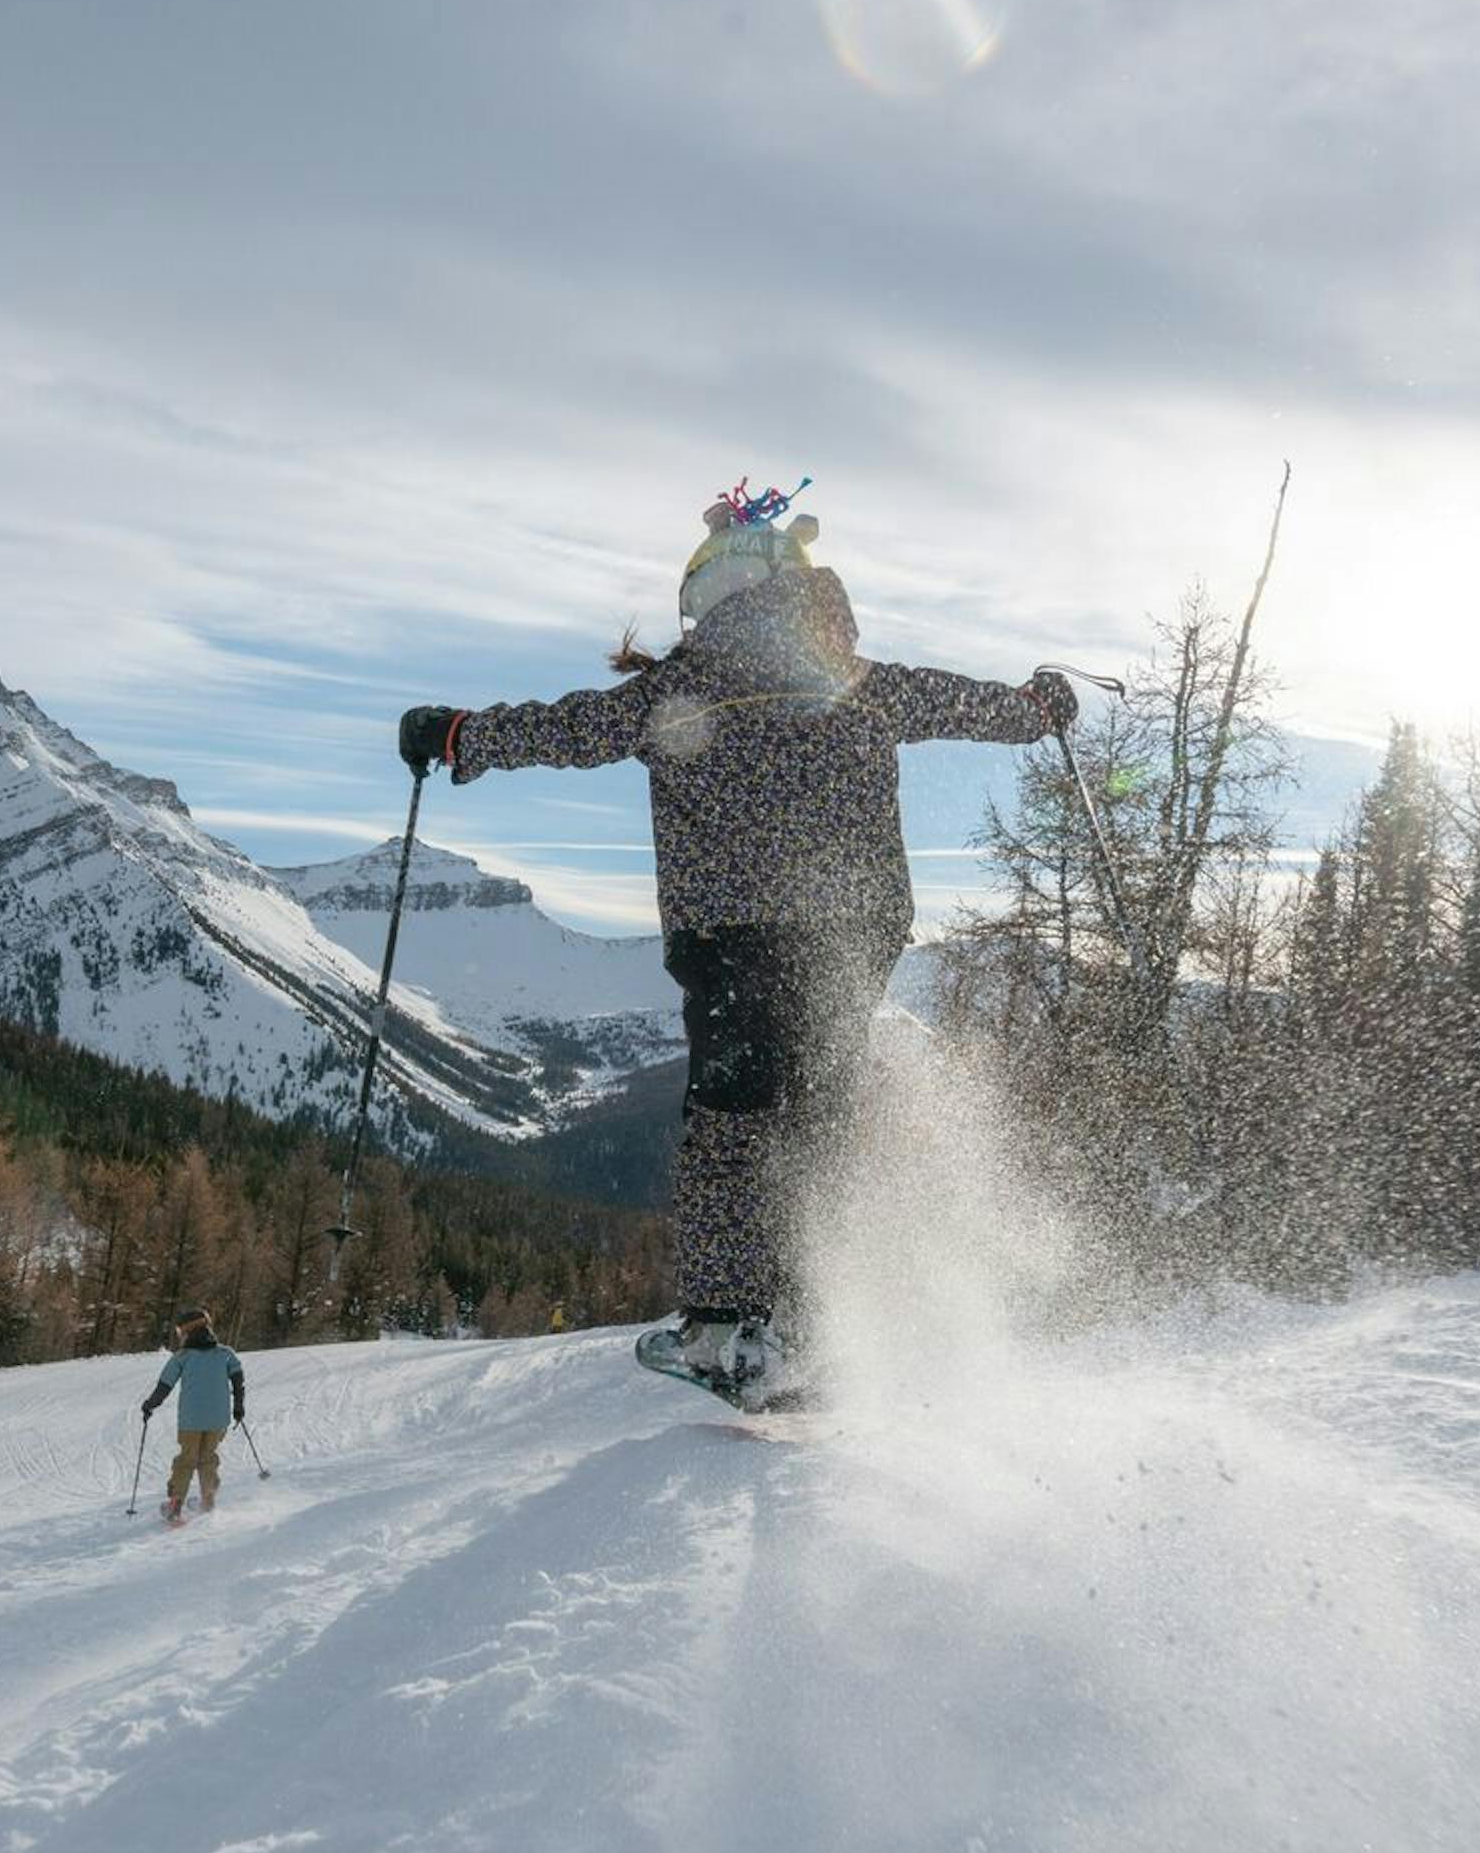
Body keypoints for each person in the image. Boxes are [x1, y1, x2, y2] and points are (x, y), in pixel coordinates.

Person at [397, 486, 1073, 1401]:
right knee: (821, 1107)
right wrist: (1038, 706)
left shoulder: (682, 687)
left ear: (711, 597)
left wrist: (459, 737)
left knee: (733, 1112)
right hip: (857, 929)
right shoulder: (865, 681)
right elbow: (972, 706)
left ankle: (730, 1323)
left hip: (737, 932)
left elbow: (564, 730)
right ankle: (816, 1317)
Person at [139, 1306, 245, 1520]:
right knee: (208, 1458)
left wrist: (150, 1405)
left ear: (187, 1332)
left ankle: (175, 1504)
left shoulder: (182, 1357)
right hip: (218, 1419)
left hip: (191, 1420)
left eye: (181, 1332)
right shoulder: (225, 1354)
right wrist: (238, 1406)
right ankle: (208, 1500)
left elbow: (164, 1386)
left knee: (187, 1459)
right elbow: (238, 1380)